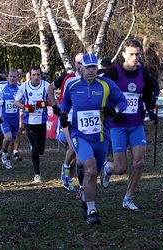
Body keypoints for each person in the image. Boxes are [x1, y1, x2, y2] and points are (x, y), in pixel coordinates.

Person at [60, 53, 127, 224]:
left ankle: (85, 196)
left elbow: (122, 101)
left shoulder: (106, 84)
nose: (91, 70)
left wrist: (115, 111)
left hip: (101, 136)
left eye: (94, 67)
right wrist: (63, 115)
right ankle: (92, 210)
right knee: (90, 168)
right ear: (80, 67)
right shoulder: (72, 85)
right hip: (79, 134)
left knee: (94, 171)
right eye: (88, 67)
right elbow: (66, 103)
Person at [101, 39, 159, 211]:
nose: (135, 57)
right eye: (131, 54)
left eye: (137, 54)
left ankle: (128, 198)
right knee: (121, 168)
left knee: (139, 162)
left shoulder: (144, 73)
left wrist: (151, 110)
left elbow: (148, 94)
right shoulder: (113, 73)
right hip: (117, 125)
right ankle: (108, 168)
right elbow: (101, 91)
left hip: (136, 124)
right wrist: (109, 111)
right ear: (124, 54)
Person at [48, 53, 84, 192]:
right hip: (66, 117)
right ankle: (66, 171)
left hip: (81, 118)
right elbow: (50, 88)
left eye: (83, 62)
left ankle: (70, 178)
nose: (81, 65)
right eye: (78, 63)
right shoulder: (67, 78)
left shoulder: (91, 79)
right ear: (75, 64)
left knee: (77, 153)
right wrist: (54, 105)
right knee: (73, 147)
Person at [15, 66, 50, 183]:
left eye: (38, 75)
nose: (36, 77)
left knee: (41, 150)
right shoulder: (24, 86)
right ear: (30, 76)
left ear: (41, 75)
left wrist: (44, 103)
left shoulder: (46, 85)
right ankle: (37, 174)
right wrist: (25, 107)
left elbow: (52, 100)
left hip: (42, 120)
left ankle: (36, 148)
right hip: (29, 121)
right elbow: (16, 102)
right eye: (33, 75)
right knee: (35, 148)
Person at [0, 69, 22, 169]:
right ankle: (3, 151)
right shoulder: (1, 86)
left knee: (13, 141)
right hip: (4, 118)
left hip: (15, 118)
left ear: (17, 78)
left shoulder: (20, 87)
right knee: (8, 137)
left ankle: (7, 159)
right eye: (10, 76)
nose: (12, 78)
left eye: (14, 77)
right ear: (7, 77)